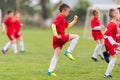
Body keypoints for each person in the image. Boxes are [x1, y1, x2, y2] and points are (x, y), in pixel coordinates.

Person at [47, 3, 79, 76]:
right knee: (77, 36)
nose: (68, 13)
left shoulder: (62, 18)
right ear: (63, 11)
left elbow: (68, 26)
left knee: (56, 55)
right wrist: (56, 34)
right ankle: (68, 52)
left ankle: (50, 71)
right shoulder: (60, 17)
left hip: (56, 39)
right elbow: (53, 25)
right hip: (60, 37)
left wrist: (74, 20)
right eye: (68, 11)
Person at [104, 8, 120, 78]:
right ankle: (107, 74)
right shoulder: (112, 24)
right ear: (114, 15)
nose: (119, 15)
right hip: (109, 43)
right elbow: (107, 35)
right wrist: (115, 43)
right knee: (113, 58)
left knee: (115, 55)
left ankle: (107, 53)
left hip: (110, 43)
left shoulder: (114, 24)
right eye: (119, 13)